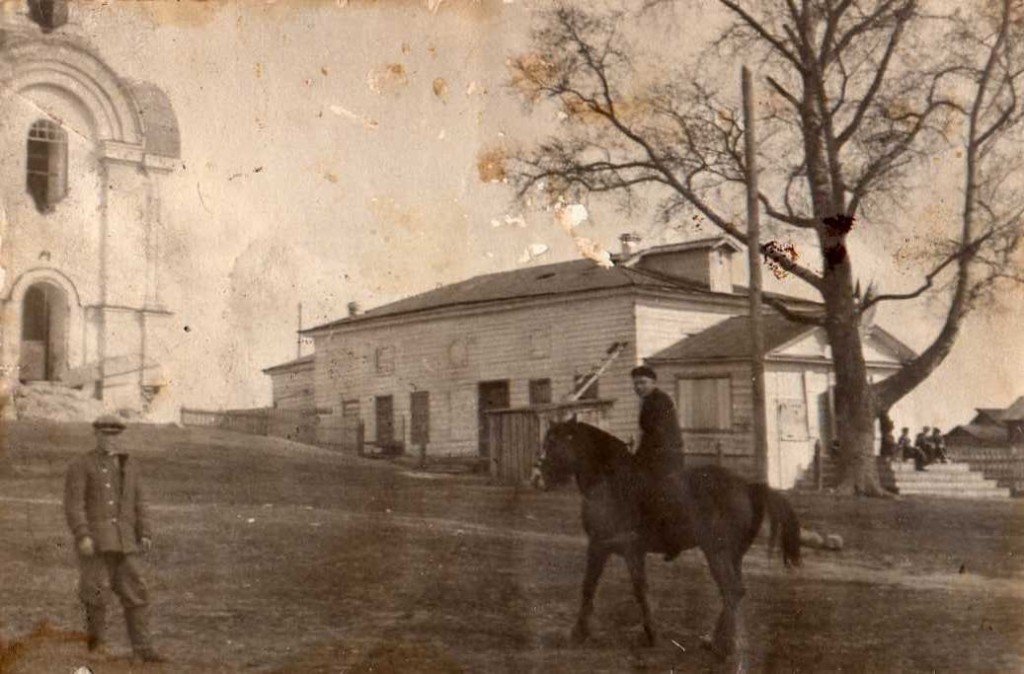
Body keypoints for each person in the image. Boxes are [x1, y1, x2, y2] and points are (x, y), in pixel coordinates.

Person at [64, 415, 167, 663]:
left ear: (120, 437)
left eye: (115, 435)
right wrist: (83, 534)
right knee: (96, 592)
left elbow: (139, 501)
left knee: (136, 592)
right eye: (105, 435)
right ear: (96, 435)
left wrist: (145, 532)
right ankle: (96, 647)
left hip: (125, 541)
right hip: (96, 544)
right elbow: (74, 505)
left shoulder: (129, 465)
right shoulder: (81, 464)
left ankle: (143, 648)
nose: (110, 440)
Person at [611, 366, 686, 560]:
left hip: (665, 456)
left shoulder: (659, 401)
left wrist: (638, 458)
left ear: (654, 383)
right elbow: (648, 435)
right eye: (636, 383)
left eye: (643, 382)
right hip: (658, 454)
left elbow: (657, 434)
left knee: (637, 487)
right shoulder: (649, 401)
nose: (639, 387)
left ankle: (655, 535)